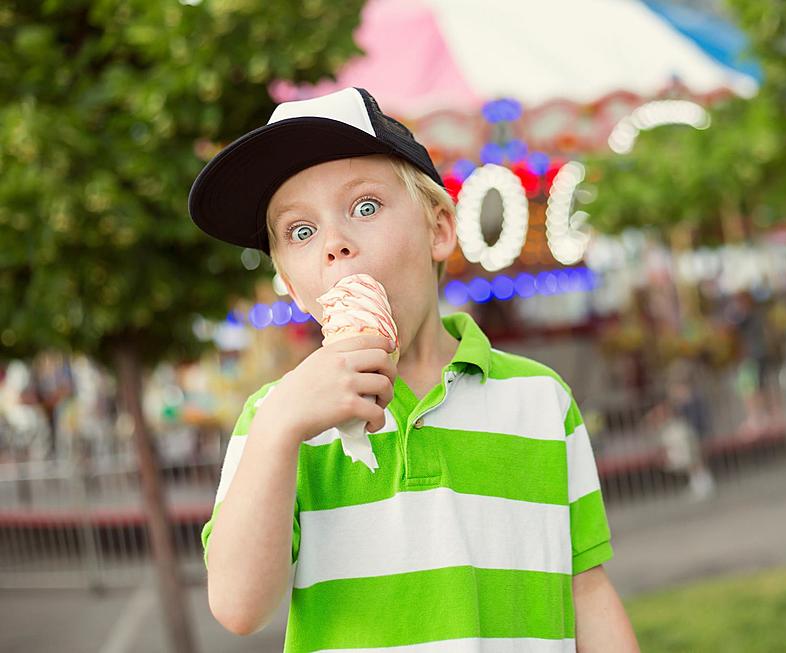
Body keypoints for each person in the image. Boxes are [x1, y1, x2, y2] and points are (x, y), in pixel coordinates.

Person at [188, 87, 639, 652]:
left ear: (439, 228)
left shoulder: (541, 400)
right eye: (301, 231)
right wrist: (281, 427)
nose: (334, 243)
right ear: (291, 282)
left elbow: (586, 591)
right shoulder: (274, 419)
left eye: (365, 206)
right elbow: (238, 607)